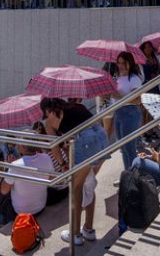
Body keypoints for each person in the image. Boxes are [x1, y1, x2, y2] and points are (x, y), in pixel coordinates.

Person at [41, 98, 108, 246]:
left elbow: (54, 147)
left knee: (76, 188)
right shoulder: (78, 106)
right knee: (88, 184)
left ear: (46, 110)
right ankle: (89, 230)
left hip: (85, 144)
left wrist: (62, 163)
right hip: (101, 139)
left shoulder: (49, 122)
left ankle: (75, 234)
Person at [0, 143, 54, 229]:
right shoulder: (46, 157)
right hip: (40, 208)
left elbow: (3, 191)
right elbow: (51, 178)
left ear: (23, 146)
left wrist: (10, 170)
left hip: (20, 214)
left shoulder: (15, 166)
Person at [112, 52, 144, 171]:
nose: (120, 65)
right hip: (119, 112)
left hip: (130, 113)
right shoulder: (118, 78)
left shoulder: (134, 79)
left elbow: (137, 100)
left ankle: (134, 177)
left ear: (129, 63)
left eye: (123, 63)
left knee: (129, 148)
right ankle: (128, 174)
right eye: (119, 63)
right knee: (123, 149)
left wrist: (119, 97)